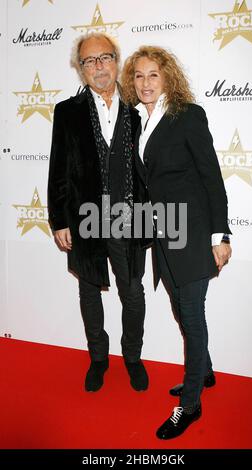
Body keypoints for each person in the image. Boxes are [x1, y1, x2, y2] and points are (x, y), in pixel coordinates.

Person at [121, 46, 232, 439]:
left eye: (153, 74)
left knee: (191, 312)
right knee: (180, 309)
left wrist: (220, 235)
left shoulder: (187, 115)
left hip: (194, 231)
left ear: (167, 77)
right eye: (138, 75)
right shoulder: (137, 121)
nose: (145, 83)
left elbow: (211, 178)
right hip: (164, 232)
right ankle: (205, 372)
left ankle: (191, 404)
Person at [47, 33, 149, 394]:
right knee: (89, 291)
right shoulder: (67, 111)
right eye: (89, 61)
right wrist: (58, 219)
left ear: (116, 60)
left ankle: (133, 358)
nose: (98, 66)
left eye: (104, 57)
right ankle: (99, 359)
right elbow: (58, 168)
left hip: (127, 218)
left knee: (133, 292)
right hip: (83, 217)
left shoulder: (138, 108)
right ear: (81, 68)